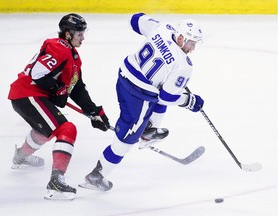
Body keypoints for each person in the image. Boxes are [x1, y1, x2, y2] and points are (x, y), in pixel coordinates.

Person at [79, 13, 204, 192]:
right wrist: (189, 101)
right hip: (138, 95)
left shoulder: (163, 28)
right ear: (181, 37)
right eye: (191, 42)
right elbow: (167, 98)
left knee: (159, 93)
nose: (193, 47)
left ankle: (146, 131)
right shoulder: (184, 66)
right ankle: (96, 176)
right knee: (125, 141)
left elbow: (135, 20)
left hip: (123, 78)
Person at [7, 13, 110, 200]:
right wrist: (56, 90)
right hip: (27, 94)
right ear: (68, 34)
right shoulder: (59, 47)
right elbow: (37, 73)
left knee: (46, 131)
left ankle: (21, 156)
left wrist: (95, 112)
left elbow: (77, 88)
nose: (83, 37)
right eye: (80, 34)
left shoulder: (73, 56)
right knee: (67, 129)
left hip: (29, 96)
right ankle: (56, 180)